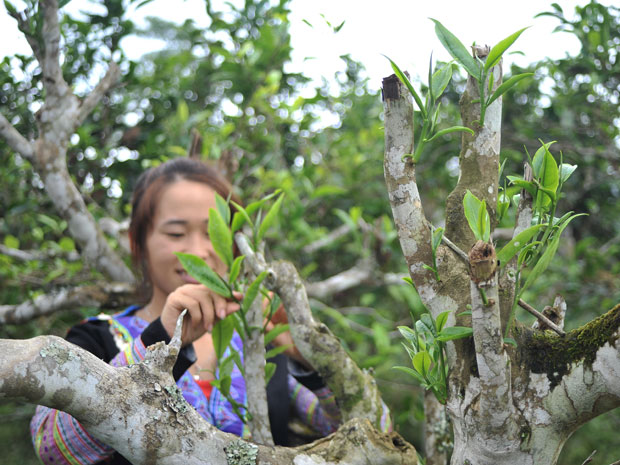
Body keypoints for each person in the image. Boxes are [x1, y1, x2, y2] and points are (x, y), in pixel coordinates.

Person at [30, 158, 343, 465]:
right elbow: (53, 447)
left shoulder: (258, 342)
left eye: (213, 233)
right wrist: (162, 337)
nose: (197, 251)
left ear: (234, 246)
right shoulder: (97, 339)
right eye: (176, 234)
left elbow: (360, 435)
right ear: (138, 243)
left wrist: (312, 356)